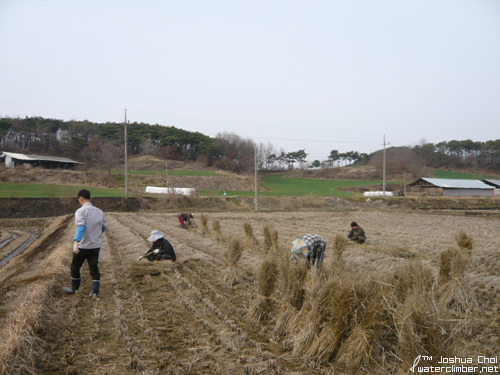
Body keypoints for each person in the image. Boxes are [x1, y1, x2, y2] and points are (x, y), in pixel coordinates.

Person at [63, 189, 107, 298]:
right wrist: (96, 235)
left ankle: (74, 288)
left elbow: (81, 228)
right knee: (94, 269)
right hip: (95, 245)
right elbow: (104, 227)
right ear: (90, 199)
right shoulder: (99, 211)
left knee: (75, 267)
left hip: (83, 246)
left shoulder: (80, 211)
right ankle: (95, 292)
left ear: (81, 199)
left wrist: (76, 241)